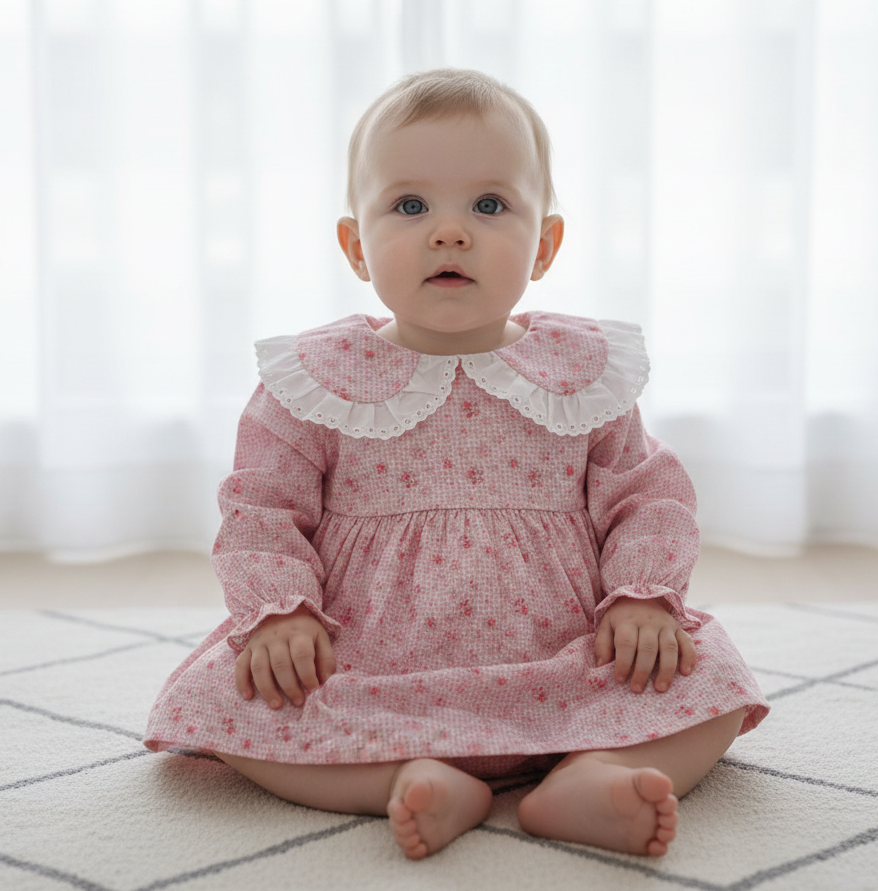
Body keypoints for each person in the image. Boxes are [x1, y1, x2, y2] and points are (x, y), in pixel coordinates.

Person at [144, 68, 768, 860]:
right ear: (355, 246)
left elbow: (647, 497)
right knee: (228, 698)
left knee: (711, 675)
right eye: (410, 206)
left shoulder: (581, 373)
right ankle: (411, 775)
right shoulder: (316, 382)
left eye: (489, 205)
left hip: (566, 659)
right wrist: (282, 611)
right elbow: (261, 509)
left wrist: (642, 596)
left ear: (543, 245)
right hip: (373, 662)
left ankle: (590, 772)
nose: (450, 232)